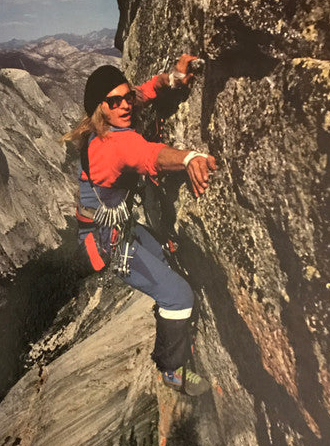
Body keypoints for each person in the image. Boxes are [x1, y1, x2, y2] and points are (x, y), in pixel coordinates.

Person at [64, 55, 217, 396]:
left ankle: (167, 318)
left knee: (163, 260)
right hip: (109, 240)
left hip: (116, 227)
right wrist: (189, 157)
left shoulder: (109, 120)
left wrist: (171, 79)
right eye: (114, 101)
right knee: (180, 296)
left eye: (125, 97)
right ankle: (171, 370)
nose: (124, 105)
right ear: (100, 109)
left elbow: (143, 92)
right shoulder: (112, 145)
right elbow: (150, 155)